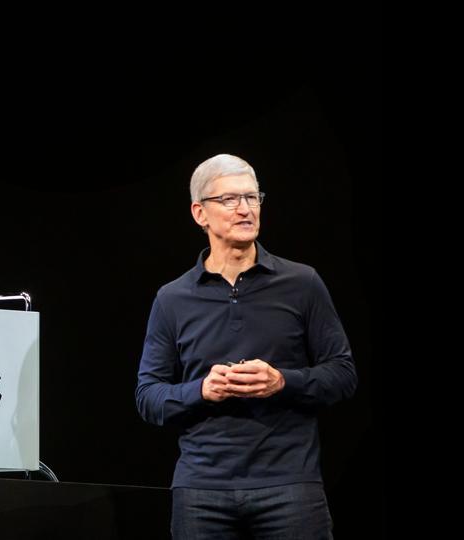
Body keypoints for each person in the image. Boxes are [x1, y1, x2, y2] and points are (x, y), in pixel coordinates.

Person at [134, 153, 357, 539]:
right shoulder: (172, 298)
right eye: (229, 200)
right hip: (202, 490)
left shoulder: (302, 284)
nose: (245, 210)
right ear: (199, 213)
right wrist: (200, 390)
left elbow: (342, 374)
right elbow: (148, 396)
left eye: (252, 198)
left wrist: (282, 381)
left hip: (290, 486)